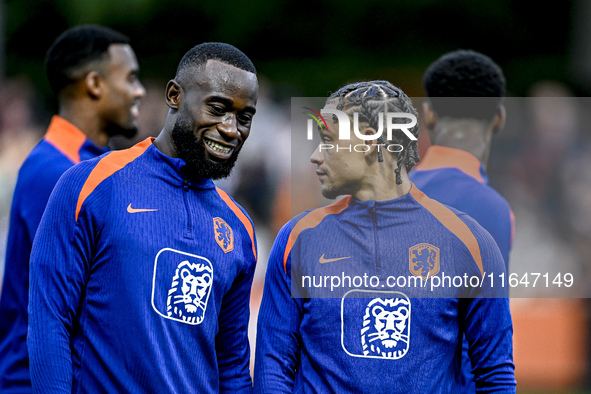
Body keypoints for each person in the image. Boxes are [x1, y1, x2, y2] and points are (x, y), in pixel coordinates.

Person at [254, 81, 515, 392]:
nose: (315, 156)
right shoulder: (296, 239)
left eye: (327, 140)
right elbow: (272, 371)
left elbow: (495, 376)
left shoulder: (470, 243)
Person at [28, 42, 259, 393]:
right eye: (217, 108)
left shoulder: (239, 229)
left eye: (244, 117)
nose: (231, 129)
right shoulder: (89, 186)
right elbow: (50, 321)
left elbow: (232, 366)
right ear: (174, 96)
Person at [0, 24, 145, 392]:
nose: (139, 91)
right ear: (94, 84)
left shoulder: (93, 168)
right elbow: (58, 312)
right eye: (130, 79)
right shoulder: (55, 174)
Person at [410, 50, 514, 391]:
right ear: (498, 118)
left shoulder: (371, 196)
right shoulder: (496, 211)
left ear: (428, 115)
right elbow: (485, 341)